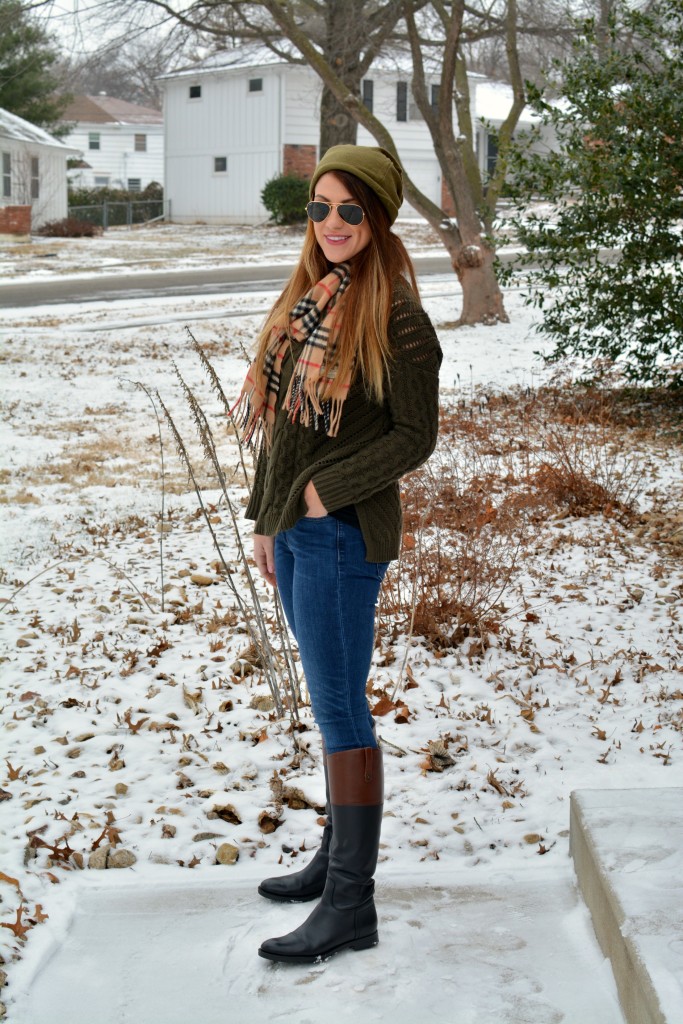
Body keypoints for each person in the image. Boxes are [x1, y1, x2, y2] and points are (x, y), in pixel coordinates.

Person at [233, 144, 442, 964]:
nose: (331, 224)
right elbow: (286, 430)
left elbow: (413, 436)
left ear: (378, 219)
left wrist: (322, 496)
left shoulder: (396, 317)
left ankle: (351, 903)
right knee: (333, 701)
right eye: (319, 208)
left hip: (342, 536)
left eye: (349, 210)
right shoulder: (310, 302)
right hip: (293, 532)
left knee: (339, 707)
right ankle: (334, 862)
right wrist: (266, 518)